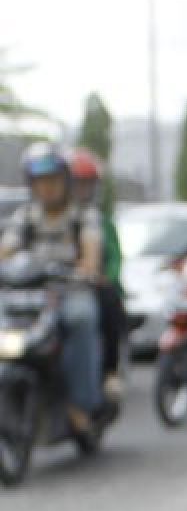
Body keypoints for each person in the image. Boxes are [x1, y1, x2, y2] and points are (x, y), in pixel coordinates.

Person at [0, 142, 105, 436]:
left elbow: (91, 252)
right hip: (28, 295)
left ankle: (81, 404)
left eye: (53, 181)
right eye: (40, 182)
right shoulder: (25, 217)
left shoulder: (83, 215)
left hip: (68, 291)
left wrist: (86, 267)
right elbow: (6, 250)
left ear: (65, 181)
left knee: (81, 319)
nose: (47, 188)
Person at [70, 147, 127, 400]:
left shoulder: (100, 221)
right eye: (77, 184)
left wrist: (107, 276)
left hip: (93, 284)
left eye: (87, 184)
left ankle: (110, 371)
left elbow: (114, 257)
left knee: (109, 305)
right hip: (60, 286)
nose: (82, 190)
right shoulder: (43, 217)